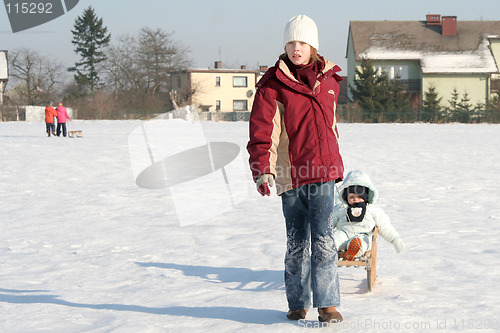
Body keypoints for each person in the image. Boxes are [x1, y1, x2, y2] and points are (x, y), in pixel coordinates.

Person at [247, 15, 344, 324]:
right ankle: (297, 302)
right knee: (297, 242)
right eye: (290, 43)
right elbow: (263, 130)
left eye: (302, 42)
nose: (296, 48)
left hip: (323, 172)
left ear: (312, 45)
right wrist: (263, 168)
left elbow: (330, 125)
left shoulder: (328, 80)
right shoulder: (272, 84)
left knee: (325, 239)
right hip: (290, 173)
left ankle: (327, 305)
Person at [333, 170, 406, 261]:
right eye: (352, 197)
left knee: (361, 243)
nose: (355, 200)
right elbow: (329, 222)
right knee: (335, 238)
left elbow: (384, 226)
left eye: (359, 197)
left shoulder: (372, 210)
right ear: (345, 196)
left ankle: (354, 250)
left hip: (363, 235)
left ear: (365, 197)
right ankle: (328, 249)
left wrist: (395, 239)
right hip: (344, 233)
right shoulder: (341, 208)